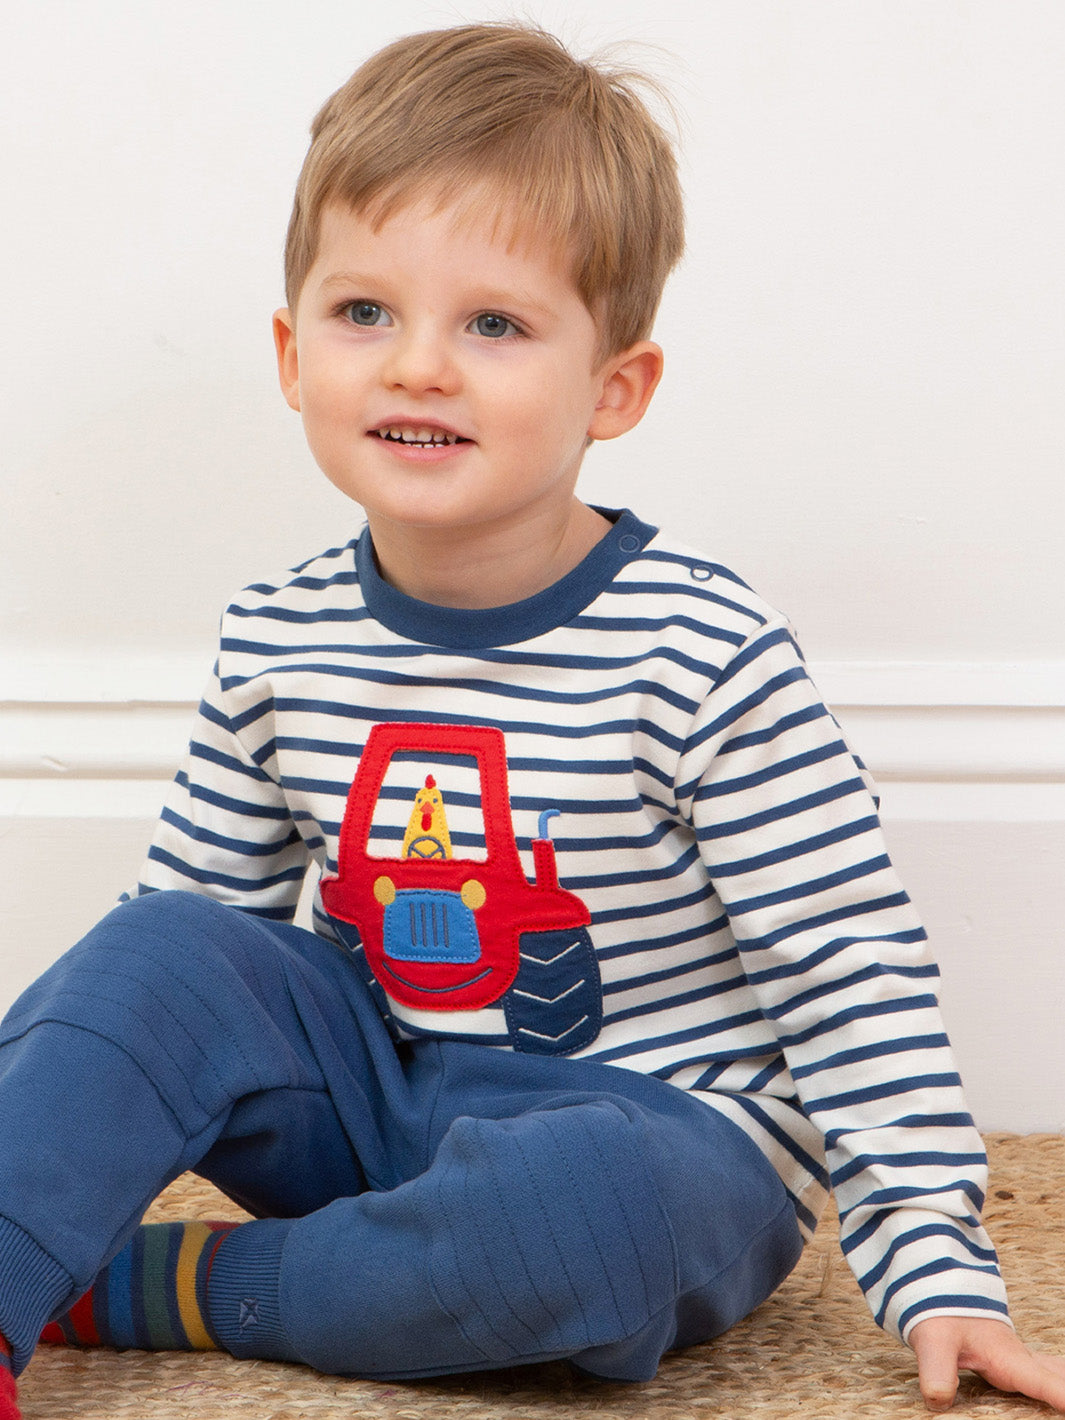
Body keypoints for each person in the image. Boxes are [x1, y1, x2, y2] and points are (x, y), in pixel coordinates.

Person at [1, 22, 1063, 1419]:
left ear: (610, 389)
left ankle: (169, 1287)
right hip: (381, 1092)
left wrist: (940, 1267)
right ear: (289, 353)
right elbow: (181, 975)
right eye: (364, 312)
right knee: (148, 954)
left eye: (492, 324)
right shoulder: (280, 629)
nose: (419, 366)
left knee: (583, 1226)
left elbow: (845, 970)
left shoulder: (699, 646)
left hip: (652, 1147)